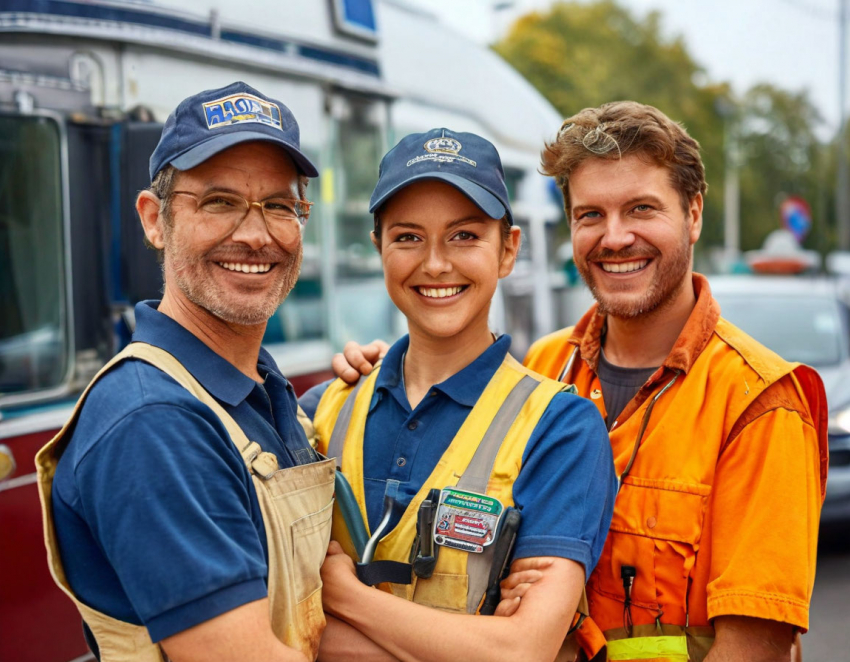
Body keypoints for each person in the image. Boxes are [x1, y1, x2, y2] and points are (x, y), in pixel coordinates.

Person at [332, 102, 829, 662]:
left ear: (693, 214)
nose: (614, 238)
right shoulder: (545, 367)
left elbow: (754, 650)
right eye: (591, 215)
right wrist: (389, 377)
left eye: (641, 209)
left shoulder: (758, 401)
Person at [36, 82, 334, 662]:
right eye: (219, 201)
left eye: (279, 205)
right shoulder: (154, 422)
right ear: (155, 219)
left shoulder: (257, 391)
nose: (255, 234)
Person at [300, 129, 617, 662]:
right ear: (378, 247)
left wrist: (343, 597)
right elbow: (267, 624)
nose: (436, 264)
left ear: (508, 249)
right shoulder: (318, 412)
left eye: (464, 236)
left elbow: (521, 652)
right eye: (407, 237)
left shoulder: (561, 429)